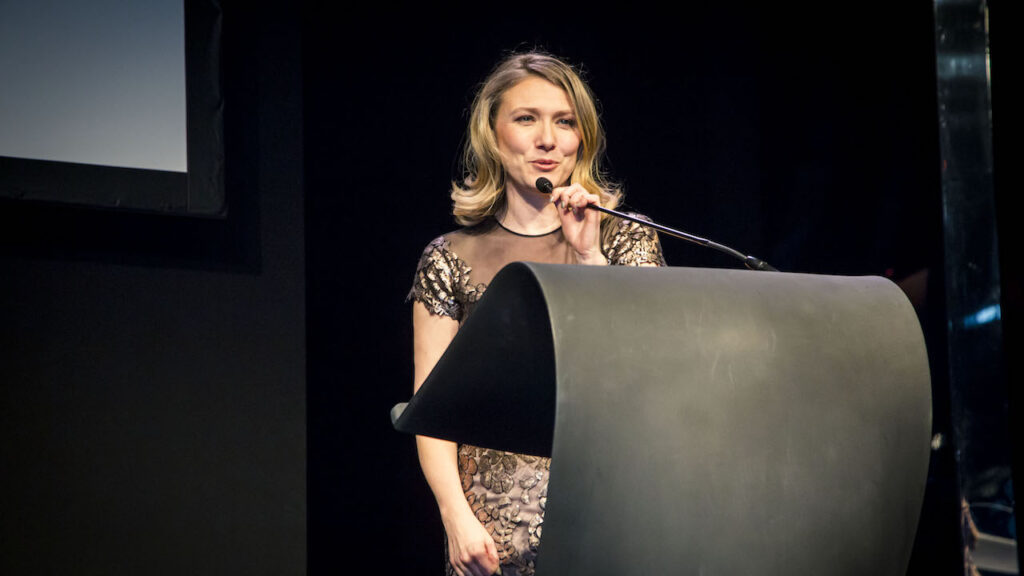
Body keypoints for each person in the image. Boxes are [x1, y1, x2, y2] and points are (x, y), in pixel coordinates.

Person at [408, 51, 666, 576]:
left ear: (582, 137)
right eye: (527, 119)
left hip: (611, 512)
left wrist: (589, 257)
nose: (548, 139)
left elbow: (647, 370)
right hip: (492, 537)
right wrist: (455, 518)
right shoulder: (448, 257)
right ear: (492, 134)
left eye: (564, 122)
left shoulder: (626, 238)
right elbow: (429, 410)